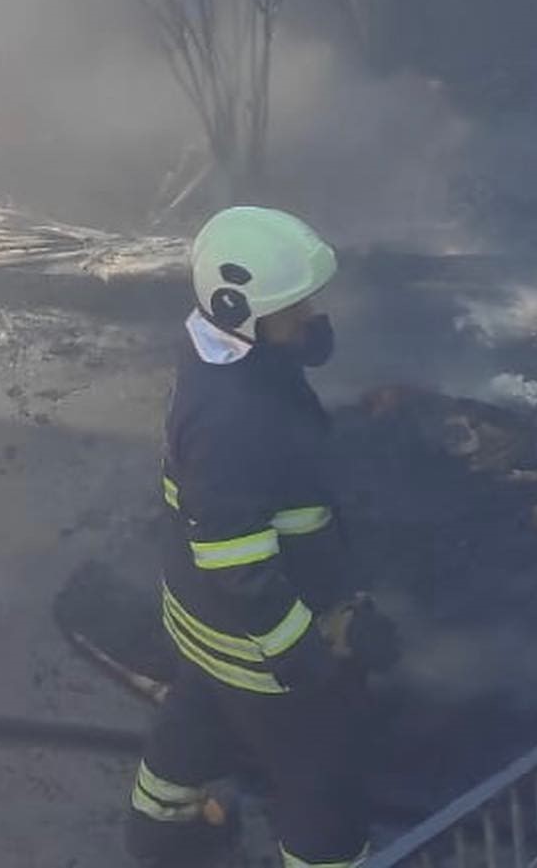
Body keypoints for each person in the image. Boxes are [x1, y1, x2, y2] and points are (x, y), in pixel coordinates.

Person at [128, 207, 399, 868]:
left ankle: (165, 833)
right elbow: (238, 562)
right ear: (238, 312)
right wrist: (307, 657)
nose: (310, 316)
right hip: (260, 651)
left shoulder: (224, 364)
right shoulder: (235, 421)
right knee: (320, 783)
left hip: (203, 626)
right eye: (294, 306)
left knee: (196, 724)